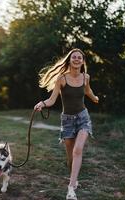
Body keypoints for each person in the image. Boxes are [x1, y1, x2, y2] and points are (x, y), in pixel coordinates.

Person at [34, 48, 99, 200]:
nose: (76, 59)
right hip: (67, 120)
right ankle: (74, 179)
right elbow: (52, 99)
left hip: (83, 117)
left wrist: (95, 98)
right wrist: (42, 103)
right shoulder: (61, 79)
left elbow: (88, 92)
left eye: (79, 58)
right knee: (70, 158)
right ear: (70, 60)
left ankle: (71, 189)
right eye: (74, 57)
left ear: (83, 61)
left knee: (78, 150)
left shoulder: (86, 77)